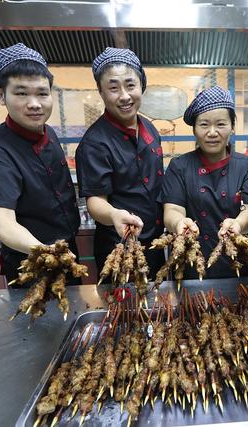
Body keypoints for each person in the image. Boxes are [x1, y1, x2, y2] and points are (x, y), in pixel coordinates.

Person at [0, 43, 80, 284]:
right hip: (30, 262)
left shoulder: (48, 133)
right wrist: (43, 252)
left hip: (66, 253)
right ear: (1, 95)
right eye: (21, 93)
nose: (34, 103)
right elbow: (3, 222)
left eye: (42, 93)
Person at [75, 48, 165, 279]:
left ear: (141, 85)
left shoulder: (150, 129)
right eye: (114, 88)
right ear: (101, 92)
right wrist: (115, 215)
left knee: (160, 310)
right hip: (119, 248)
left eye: (130, 85)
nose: (124, 96)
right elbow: (95, 201)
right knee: (122, 313)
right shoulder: (94, 143)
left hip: (155, 245)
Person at [160, 86, 248, 278]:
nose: (212, 132)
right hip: (189, 266)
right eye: (204, 124)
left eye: (221, 124)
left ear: (232, 127)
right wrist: (179, 222)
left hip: (237, 267)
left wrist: (238, 224)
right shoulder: (179, 166)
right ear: (194, 129)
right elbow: (172, 210)